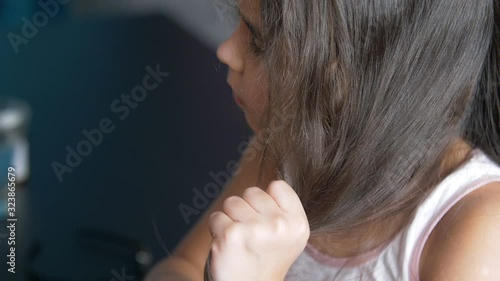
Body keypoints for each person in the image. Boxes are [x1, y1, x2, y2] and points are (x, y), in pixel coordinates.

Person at [145, 0, 500, 280]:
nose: (226, 50)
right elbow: (182, 267)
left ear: (341, 85)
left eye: (256, 39)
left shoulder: (478, 230)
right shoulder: (284, 151)